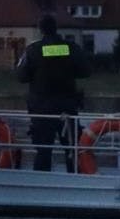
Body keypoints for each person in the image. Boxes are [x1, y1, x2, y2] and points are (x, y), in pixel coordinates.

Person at [14, 14, 92, 172]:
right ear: (56, 28)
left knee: (43, 149)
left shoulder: (33, 50)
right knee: (72, 148)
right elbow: (86, 71)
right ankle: (75, 179)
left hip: (42, 107)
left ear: (40, 30)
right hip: (68, 106)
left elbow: (21, 76)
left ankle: (42, 182)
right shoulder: (71, 48)